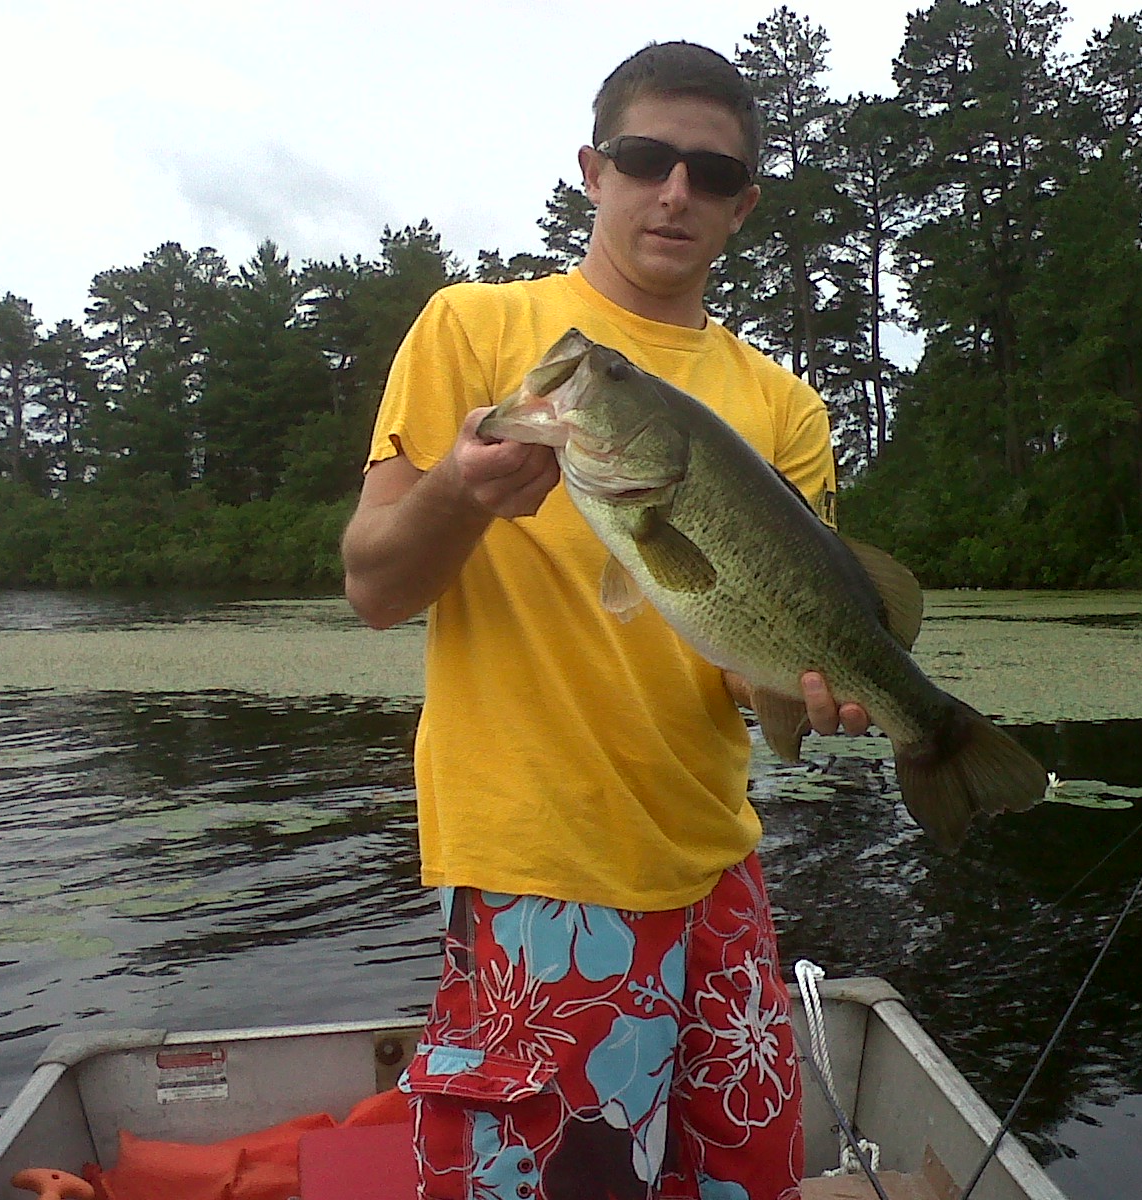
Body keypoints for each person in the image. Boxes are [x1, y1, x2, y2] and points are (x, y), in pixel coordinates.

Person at [341, 40, 867, 1200]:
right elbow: (374, 587)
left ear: (743, 206)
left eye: (711, 174)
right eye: (644, 159)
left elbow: (747, 660)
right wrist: (457, 496)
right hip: (539, 861)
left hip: (719, 864)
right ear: (593, 169)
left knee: (740, 1180)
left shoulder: (783, 406)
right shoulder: (479, 331)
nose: (673, 191)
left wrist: (807, 687)